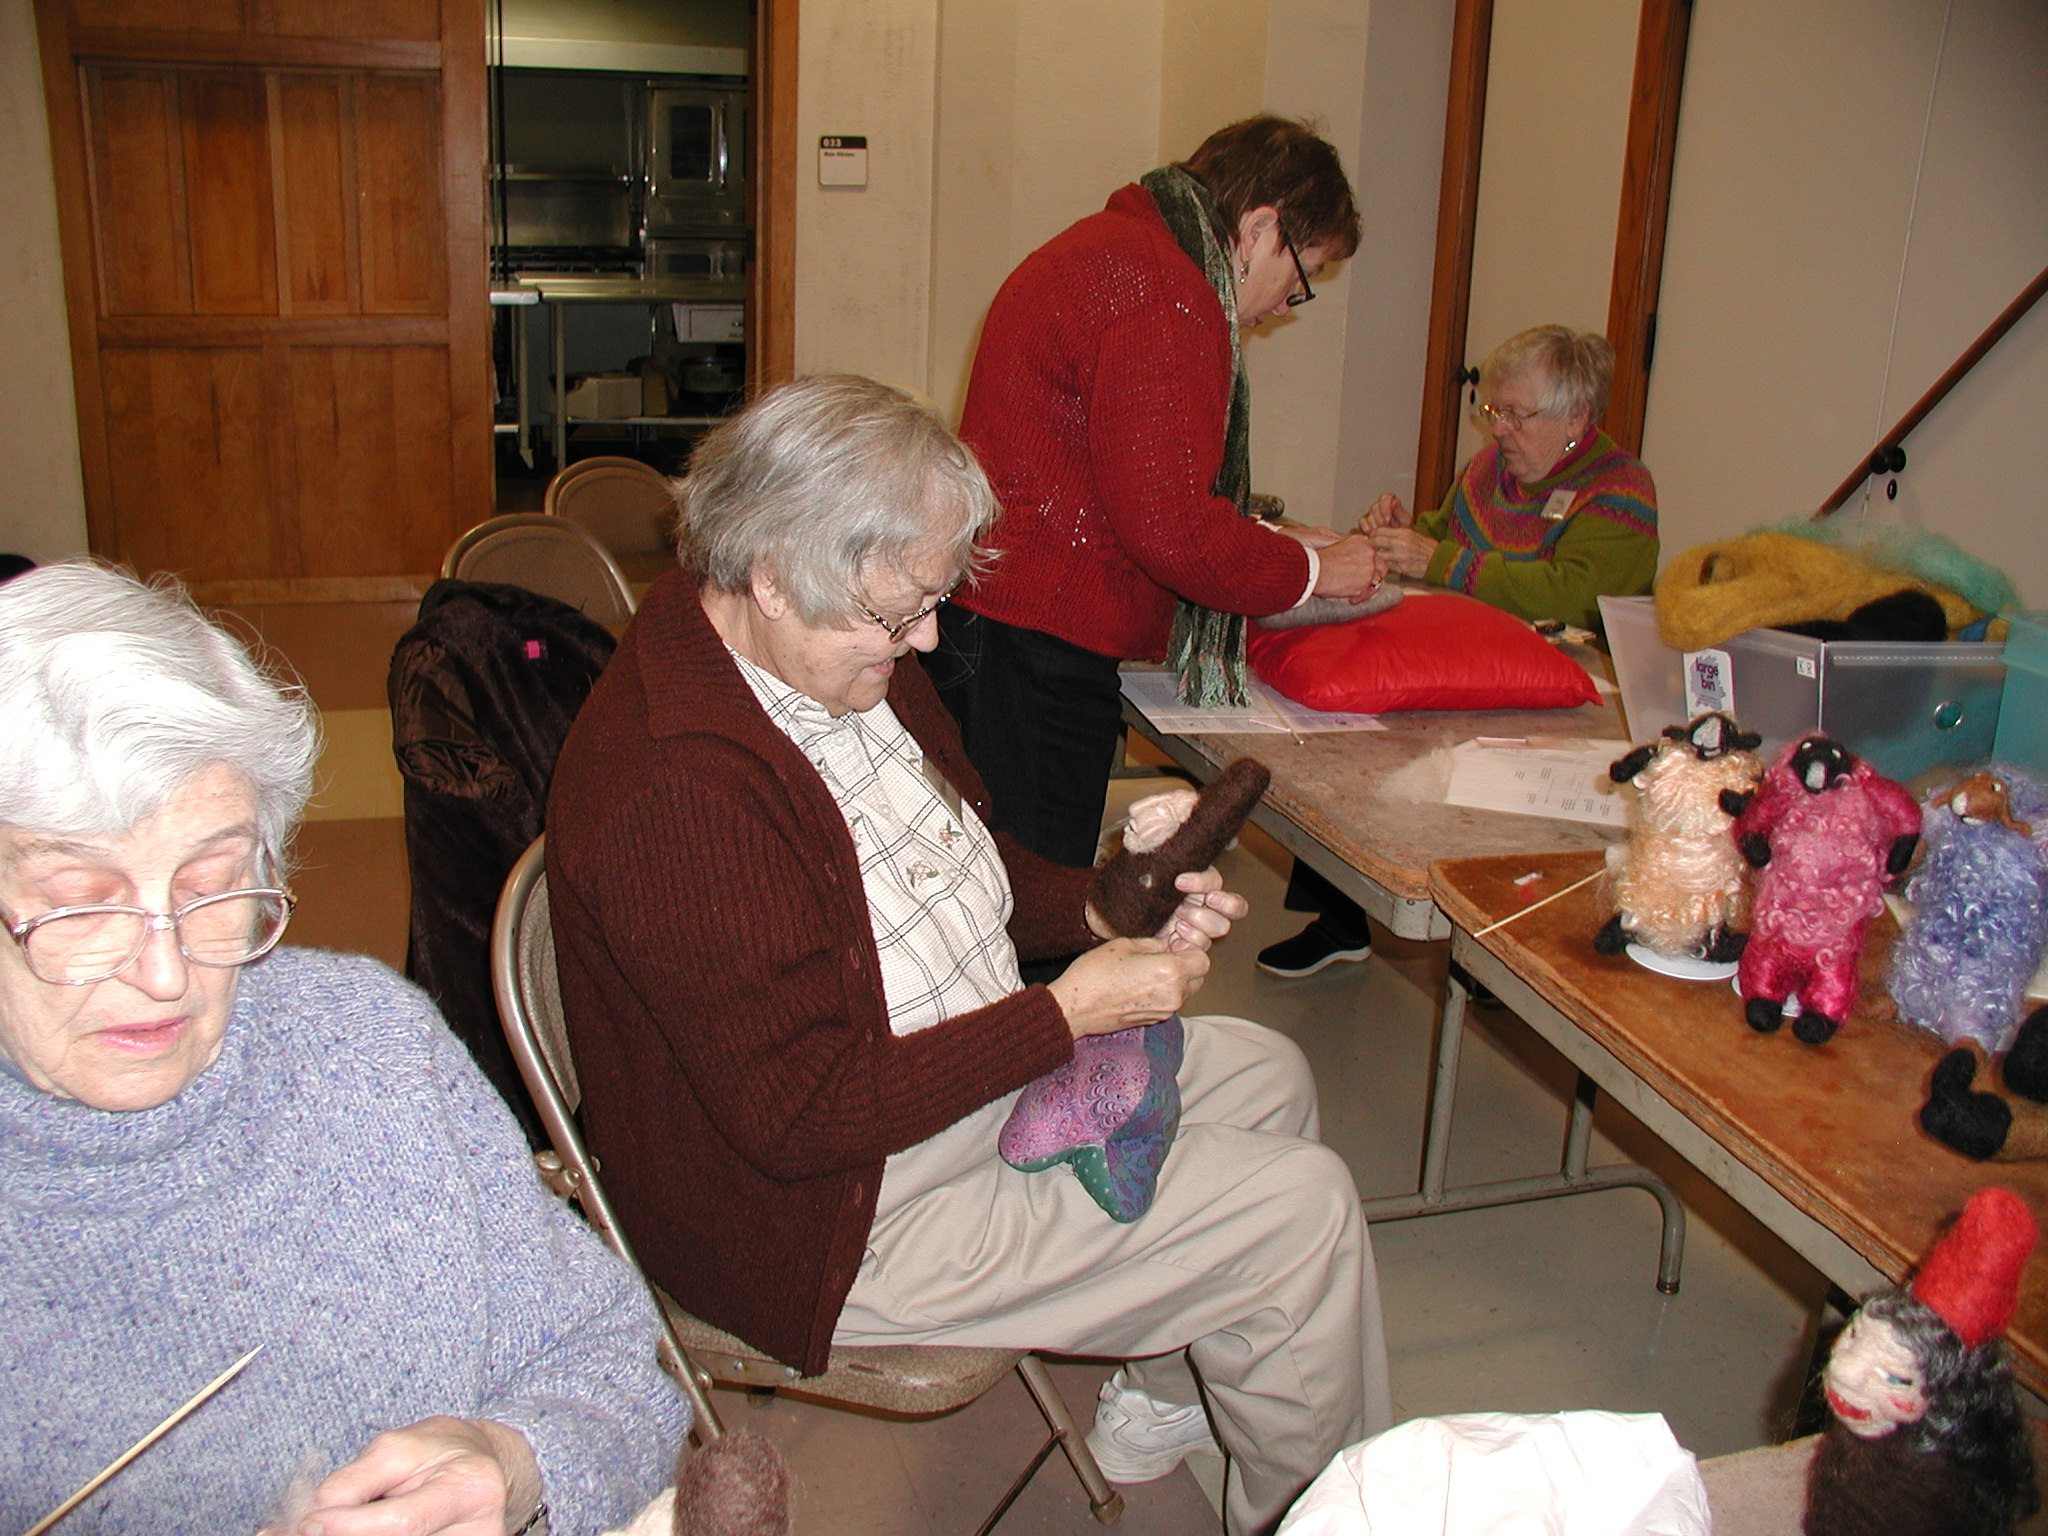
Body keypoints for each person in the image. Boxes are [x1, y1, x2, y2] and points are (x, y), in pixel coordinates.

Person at [547, 376, 1394, 1536]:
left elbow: (961, 870)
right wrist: (1068, 1018)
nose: (929, 640)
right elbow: (799, 1113)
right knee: (1296, 1211)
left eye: (934, 600)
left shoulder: (837, 666)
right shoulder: (676, 786)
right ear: (769, 573)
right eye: (898, 614)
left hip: (929, 1088)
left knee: (1265, 1076)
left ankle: (1158, 1397)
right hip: (823, 1214)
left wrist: (1103, 914)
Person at [0, 564, 687, 1536]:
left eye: (211, 884)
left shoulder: (370, 1046)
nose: (165, 972)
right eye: (79, 903)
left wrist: (518, 1464)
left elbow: (607, 1351)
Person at [932, 115, 1388, 874]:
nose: (1283, 308)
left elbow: (1127, 475)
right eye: (1300, 278)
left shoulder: (1121, 249)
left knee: (993, 880)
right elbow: (1173, 532)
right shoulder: (1166, 292)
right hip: (1036, 641)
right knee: (1035, 897)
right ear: (1259, 227)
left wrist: (1270, 543)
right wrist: (1318, 572)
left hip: (1000, 622)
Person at [1259, 325, 1659, 979]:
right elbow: (1444, 540)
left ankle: (1509, 940)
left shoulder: (1621, 490)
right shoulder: (1489, 471)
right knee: (1353, 735)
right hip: (1477, 666)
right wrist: (1398, 535)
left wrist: (1438, 558)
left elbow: (1577, 595)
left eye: (1517, 415)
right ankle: (1341, 916)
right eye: (1494, 411)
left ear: (1577, 418)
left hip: (1571, 697)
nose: (1498, 429)